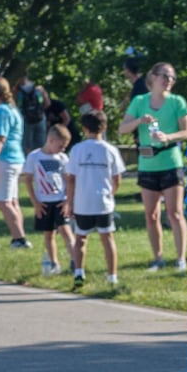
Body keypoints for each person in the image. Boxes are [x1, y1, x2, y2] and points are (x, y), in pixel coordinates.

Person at [119, 61, 187, 271]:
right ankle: (158, 258)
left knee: (174, 213)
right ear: (153, 77)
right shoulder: (140, 101)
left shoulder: (178, 101)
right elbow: (122, 129)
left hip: (170, 161)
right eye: (165, 76)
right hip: (147, 163)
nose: (168, 81)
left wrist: (167, 136)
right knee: (151, 215)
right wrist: (139, 121)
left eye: (172, 78)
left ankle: (180, 259)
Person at [64, 111, 126, 288]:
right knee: (107, 238)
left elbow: (71, 177)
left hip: (83, 202)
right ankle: (112, 276)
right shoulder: (110, 149)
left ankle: (79, 272)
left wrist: (70, 201)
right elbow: (117, 178)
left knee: (81, 238)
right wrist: (111, 194)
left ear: (84, 128)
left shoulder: (77, 149)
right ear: (104, 127)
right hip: (103, 202)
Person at [0, 76, 31, 250]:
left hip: (4, 160)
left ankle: (20, 239)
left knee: (3, 202)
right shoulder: (10, 110)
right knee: (12, 201)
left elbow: (0, 138)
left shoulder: (2, 112)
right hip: (13, 160)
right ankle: (18, 236)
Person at [21, 124, 78, 277]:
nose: (63, 149)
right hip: (44, 202)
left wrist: (68, 201)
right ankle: (54, 262)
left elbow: (69, 180)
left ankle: (75, 261)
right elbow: (28, 180)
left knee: (66, 230)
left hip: (60, 200)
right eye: (61, 146)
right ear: (51, 140)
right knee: (49, 234)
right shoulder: (34, 156)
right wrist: (35, 203)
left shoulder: (62, 158)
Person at [15, 74, 48, 154]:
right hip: (40, 118)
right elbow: (47, 103)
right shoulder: (38, 88)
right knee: (41, 144)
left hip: (26, 120)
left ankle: (28, 163)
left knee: (26, 146)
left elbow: (15, 106)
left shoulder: (17, 91)